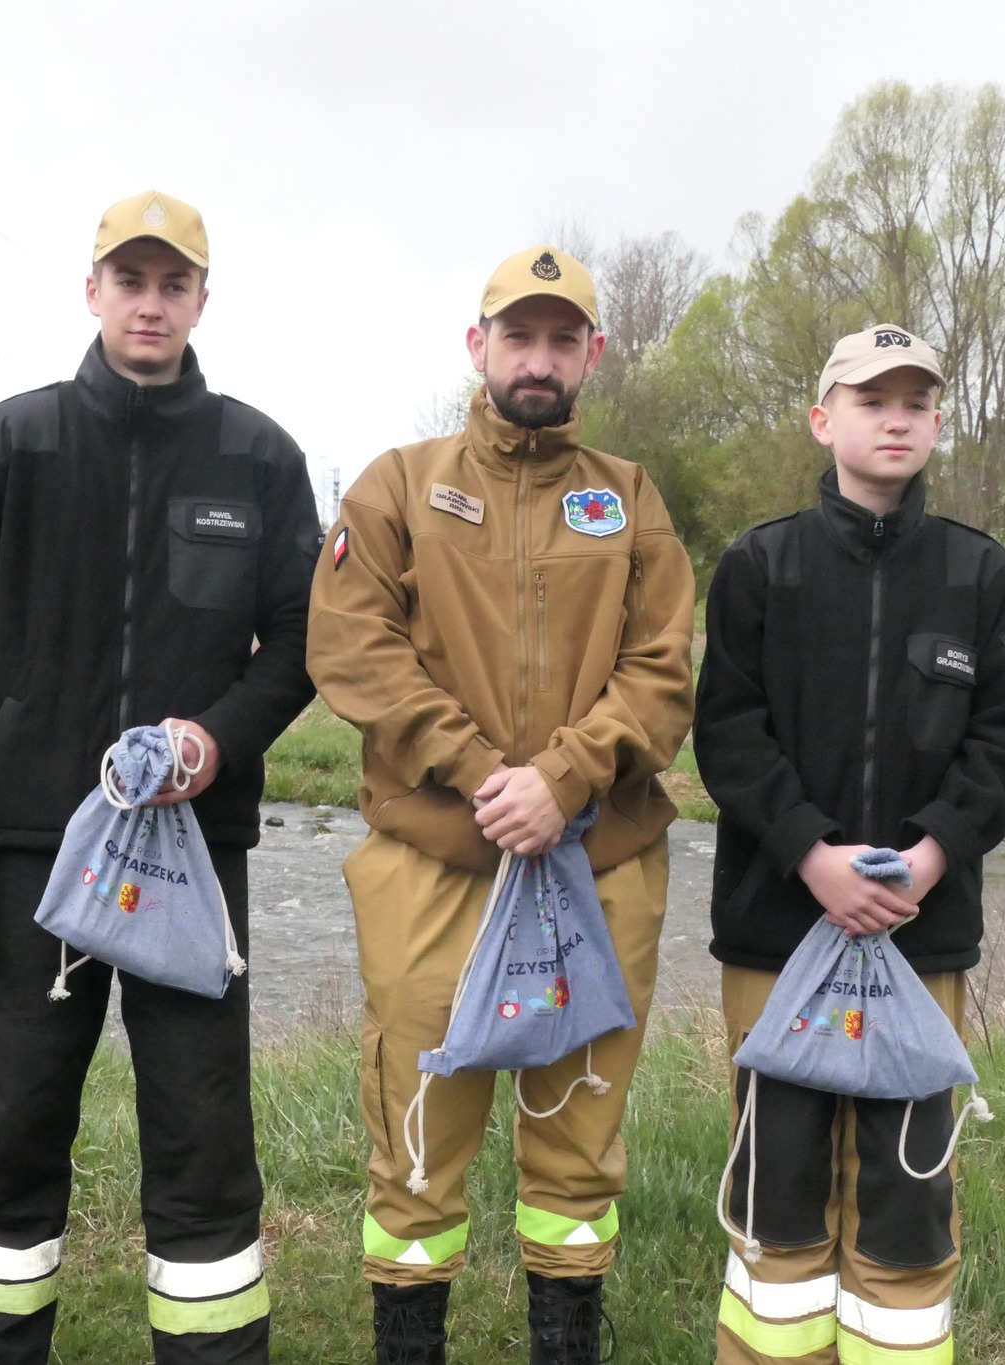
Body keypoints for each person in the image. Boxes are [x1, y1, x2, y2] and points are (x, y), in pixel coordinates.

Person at [0, 189, 319, 1365]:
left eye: (172, 283)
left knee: (200, 1124)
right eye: (129, 280)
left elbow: (302, 644)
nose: (149, 303)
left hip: (192, 850)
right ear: (91, 291)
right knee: (15, 1112)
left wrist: (213, 741)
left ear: (201, 300)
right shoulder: (14, 442)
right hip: (30, 843)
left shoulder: (259, 455)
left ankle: (211, 1351)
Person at [305, 245, 695, 1365]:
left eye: (561, 339)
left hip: (600, 863)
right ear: (476, 346)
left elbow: (662, 671)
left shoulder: (630, 500)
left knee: (577, 1144)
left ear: (593, 354)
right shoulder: (395, 485)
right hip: (435, 863)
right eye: (517, 336)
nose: (538, 359)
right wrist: (484, 774)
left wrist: (563, 780)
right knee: (418, 1140)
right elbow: (353, 650)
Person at [693, 325, 1005, 1363]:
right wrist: (812, 856)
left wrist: (926, 859)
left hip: (917, 938)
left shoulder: (980, 573)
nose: (896, 419)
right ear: (822, 419)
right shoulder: (758, 565)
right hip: (776, 933)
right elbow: (727, 734)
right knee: (776, 1191)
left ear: (935, 424)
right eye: (870, 399)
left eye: (915, 402)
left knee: (906, 1199)